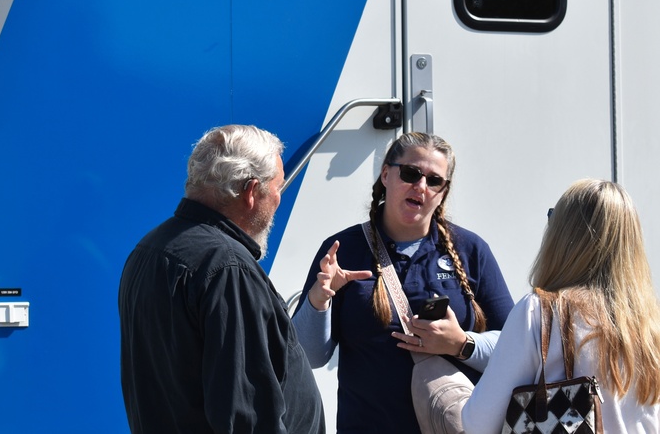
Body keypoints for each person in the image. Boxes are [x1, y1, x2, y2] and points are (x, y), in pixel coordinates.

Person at [292, 132, 514, 433]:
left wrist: (461, 344)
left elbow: (513, 350)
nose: (420, 186)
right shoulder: (343, 249)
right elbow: (309, 357)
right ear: (386, 174)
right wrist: (320, 300)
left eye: (434, 181)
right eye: (410, 173)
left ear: (443, 191)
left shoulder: (470, 249)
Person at [118, 124, 326, 434]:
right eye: (277, 188)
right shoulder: (226, 268)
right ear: (252, 192)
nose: (279, 200)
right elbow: (247, 415)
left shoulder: (150, 247)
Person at [462, 179, 660, 433]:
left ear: (565, 234)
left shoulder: (540, 312)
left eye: (553, 216)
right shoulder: (649, 325)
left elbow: (478, 423)